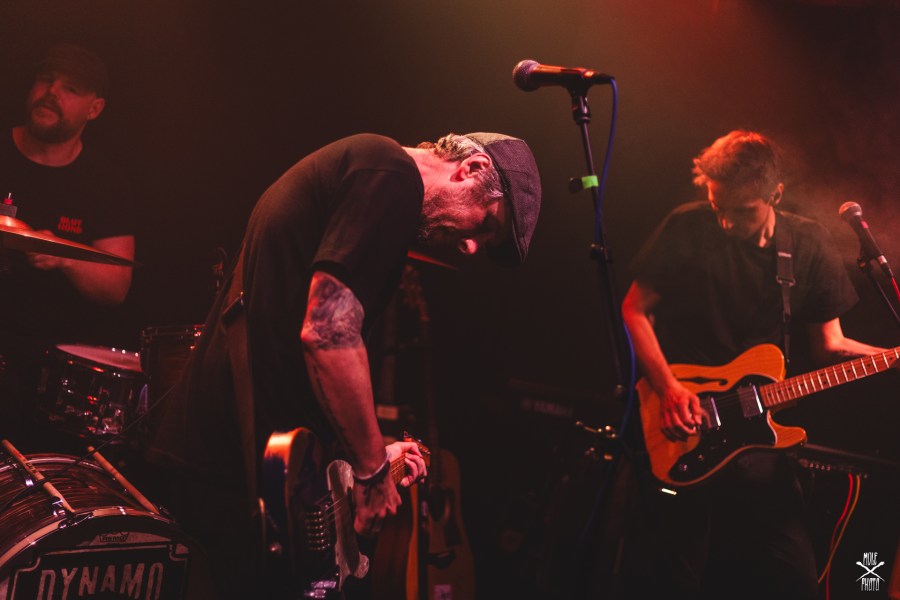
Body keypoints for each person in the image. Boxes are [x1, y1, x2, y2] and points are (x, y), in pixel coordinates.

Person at [144, 131, 542, 597]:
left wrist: (363, 456)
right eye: (486, 224)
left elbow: (295, 354)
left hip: (250, 470)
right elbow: (328, 334)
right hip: (232, 481)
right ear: (471, 169)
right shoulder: (391, 176)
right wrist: (372, 473)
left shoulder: (367, 172)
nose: (471, 247)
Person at [617, 130, 888, 599]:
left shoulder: (807, 243)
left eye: (741, 211)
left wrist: (890, 358)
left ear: (775, 195)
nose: (725, 222)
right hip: (683, 423)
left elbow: (831, 346)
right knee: (670, 580)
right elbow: (634, 310)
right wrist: (669, 389)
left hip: (758, 442)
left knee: (792, 579)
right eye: (717, 206)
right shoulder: (687, 226)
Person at [0, 43, 136, 448]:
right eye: (46, 80)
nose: (51, 92)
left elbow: (116, 287)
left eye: (70, 88)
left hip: (51, 364)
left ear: (94, 109)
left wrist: (63, 257)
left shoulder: (104, 182)